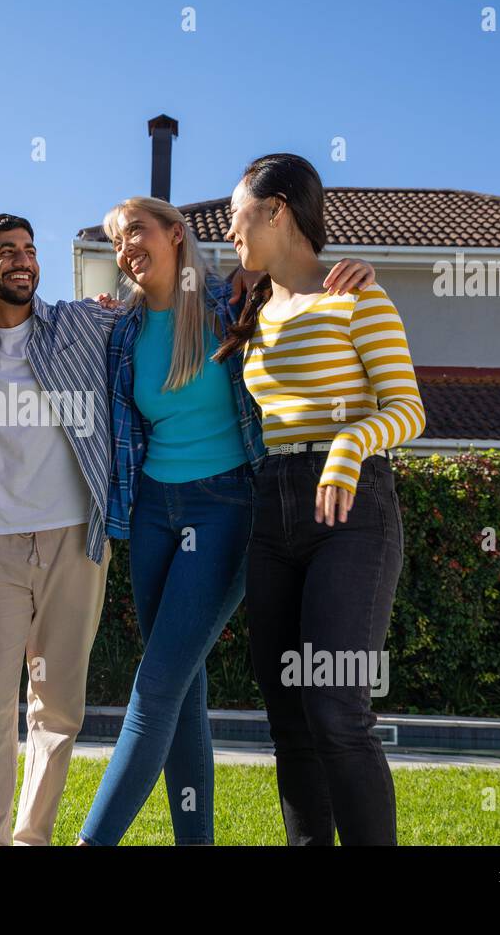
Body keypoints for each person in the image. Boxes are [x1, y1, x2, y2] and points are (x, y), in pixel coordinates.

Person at [77, 195, 375, 845]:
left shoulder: (234, 304)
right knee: (180, 694)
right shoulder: (122, 330)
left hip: (228, 510)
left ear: (175, 234)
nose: (126, 249)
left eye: (136, 232)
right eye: (116, 241)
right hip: (155, 511)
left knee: (153, 688)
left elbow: (305, 288)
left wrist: (350, 276)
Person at [215, 152, 426, 845]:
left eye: (238, 212)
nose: (228, 227)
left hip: (353, 512)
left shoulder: (356, 294)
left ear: (277, 210)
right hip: (272, 508)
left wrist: (348, 446)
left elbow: (408, 410)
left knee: (337, 710)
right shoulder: (253, 305)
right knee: (289, 720)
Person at [0, 214, 121, 845]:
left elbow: (161, 304)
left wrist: (246, 278)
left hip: (74, 540)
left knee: (57, 707)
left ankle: (31, 837)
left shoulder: (80, 322)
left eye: (29, 250)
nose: (24, 260)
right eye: (6, 252)